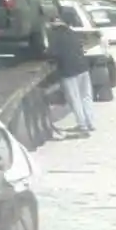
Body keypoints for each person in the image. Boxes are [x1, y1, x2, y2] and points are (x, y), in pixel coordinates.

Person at [49, 9, 94, 137]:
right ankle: (90, 122)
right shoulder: (73, 33)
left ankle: (82, 126)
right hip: (83, 68)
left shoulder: (57, 35)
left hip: (69, 71)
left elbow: (52, 53)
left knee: (75, 99)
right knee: (86, 96)